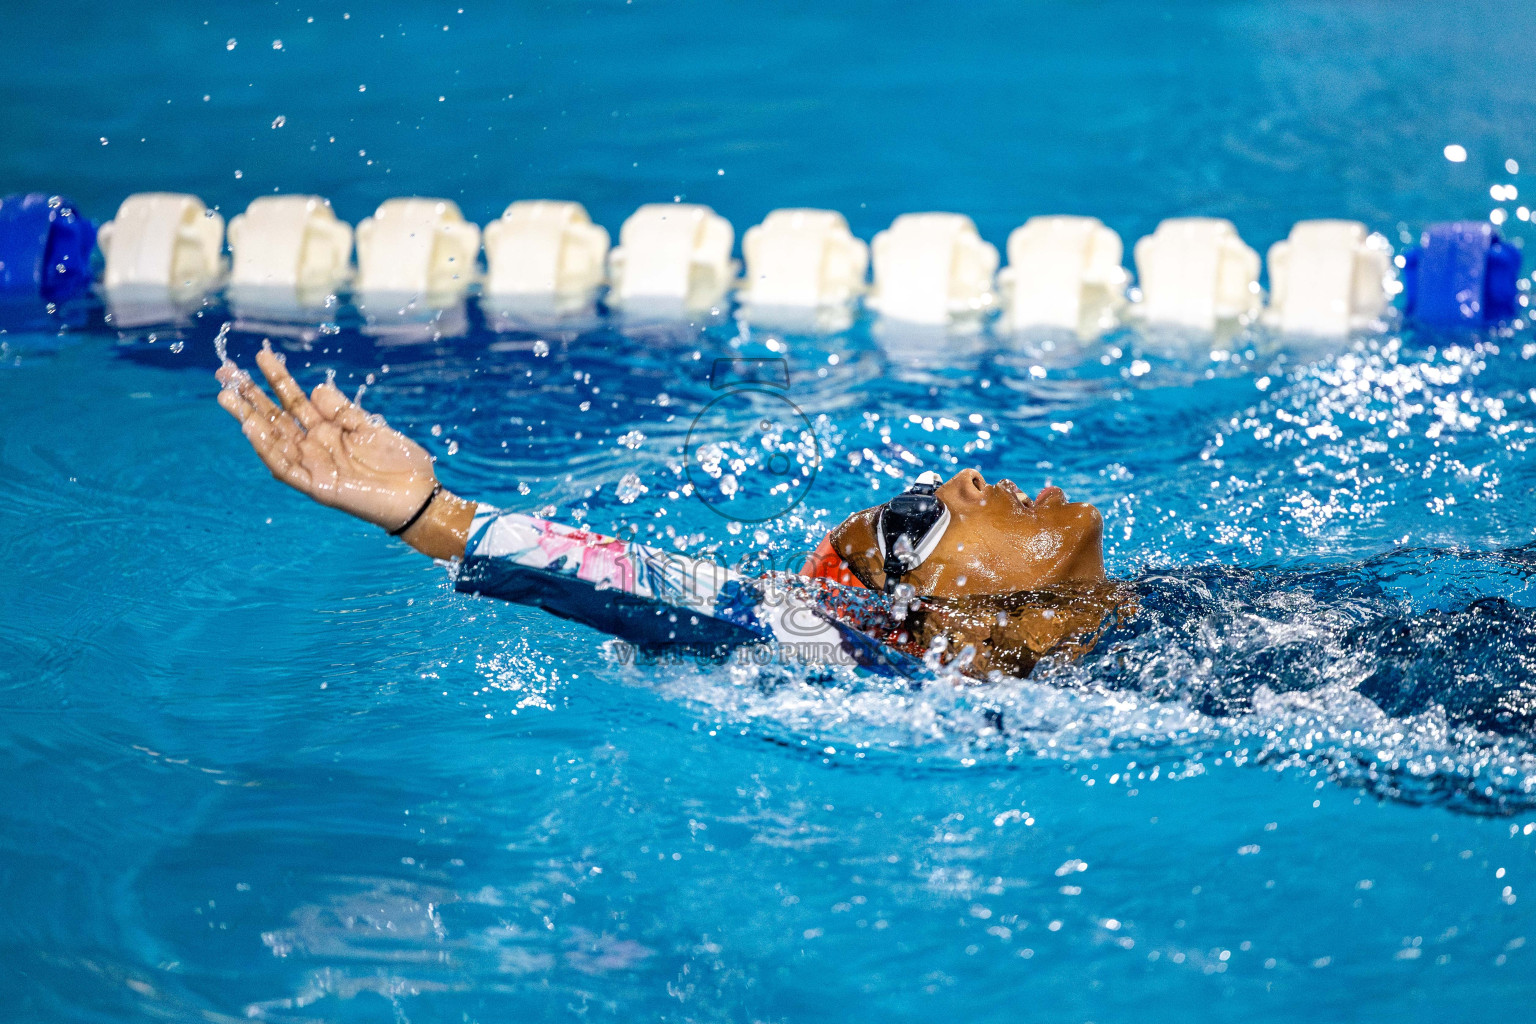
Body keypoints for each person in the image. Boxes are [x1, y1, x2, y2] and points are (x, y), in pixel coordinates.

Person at [215, 348, 1128, 679]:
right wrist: (429, 511)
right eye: (915, 521)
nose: (962, 480)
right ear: (915, 625)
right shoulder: (890, 668)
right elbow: (668, 595)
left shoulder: (1148, 619)